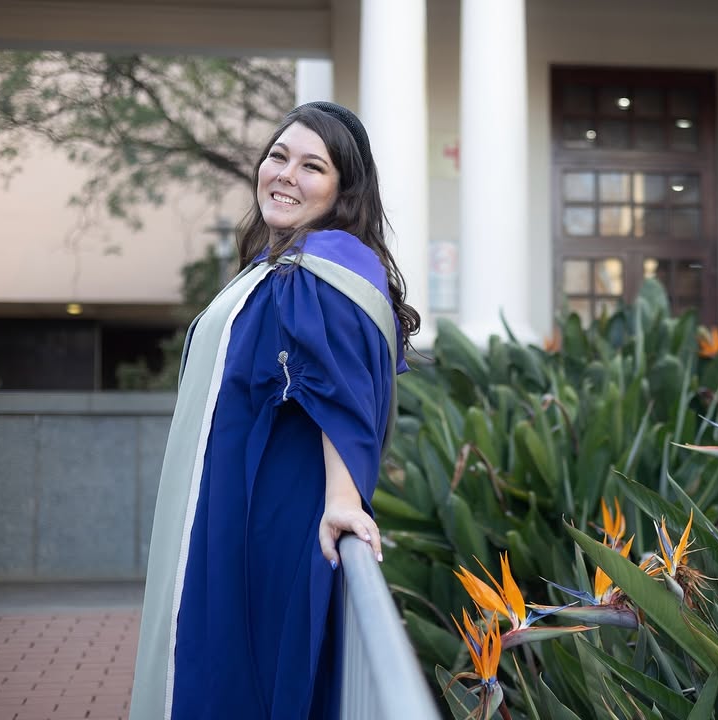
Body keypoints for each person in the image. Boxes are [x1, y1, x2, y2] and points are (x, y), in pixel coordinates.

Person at [129, 102, 419, 720]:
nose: (286, 174)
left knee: (239, 673)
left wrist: (343, 501)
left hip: (264, 525)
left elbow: (339, 392)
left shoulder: (320, 269)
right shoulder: (282, 265)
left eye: (313, 166)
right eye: (278, 156)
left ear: (343, 190)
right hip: (235, 508)